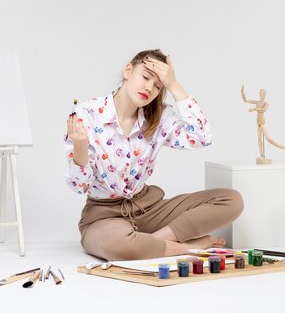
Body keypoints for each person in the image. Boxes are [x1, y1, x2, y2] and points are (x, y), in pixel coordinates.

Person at [63, 49, 243, 261]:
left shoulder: (159, 117)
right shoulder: (87, 114)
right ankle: (187, 247)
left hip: (147, 208)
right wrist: (80, 146)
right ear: (128, 70)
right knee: (120, 246)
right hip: (104, 216)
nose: (149, 87)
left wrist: (174, 85)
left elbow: (202, 136)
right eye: (146, 77)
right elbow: (79, 186)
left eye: (158, 86)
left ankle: (153, 242)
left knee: (232, 200)